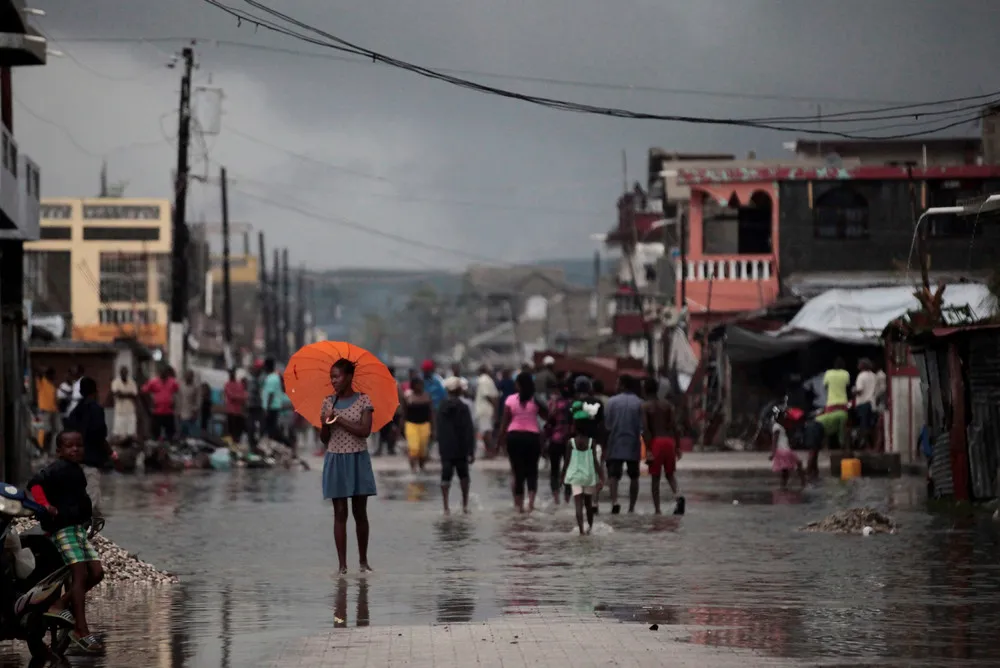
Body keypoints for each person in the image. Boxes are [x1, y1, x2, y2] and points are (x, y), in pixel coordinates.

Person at [26, 431, 105, 653]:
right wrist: (46, 506)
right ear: (59, 451)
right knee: (79, 575)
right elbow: (35, 484)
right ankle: (81, 630)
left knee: (97, 573)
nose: (75, 449)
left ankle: (59, 604)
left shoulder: (76, 470)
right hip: (62, 530)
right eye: (69, 446)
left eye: (79, 445)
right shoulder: (57, 468)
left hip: (78, 530)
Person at [320, 359, 376, 574]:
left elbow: (364, 431)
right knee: (339, 512)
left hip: (357, 459)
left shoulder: (364, 400)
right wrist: (325, 424)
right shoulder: (327, 402)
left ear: (349, 377)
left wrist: (339, 420)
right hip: (336, 459)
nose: (333, 381)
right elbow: (324, 439)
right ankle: (342, 566)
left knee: (359, 512)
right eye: (331, 377)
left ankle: (363, 562)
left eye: (337, 376)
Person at [497, 372, 548, 513]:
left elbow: (504, 423)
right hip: (532, 437)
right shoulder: (536, 400)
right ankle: (530, 504)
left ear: (518, 385)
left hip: (514, 437)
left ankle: (518, 506)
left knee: (517, 472)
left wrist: (499, 441)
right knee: (532, 472)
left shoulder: (510, 400)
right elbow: (546, 416)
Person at [64, 377, 112, 521]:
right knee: (92, 503)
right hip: (91, 462)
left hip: (74, 463)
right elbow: (100, 434)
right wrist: (108, 454)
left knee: (77, 499)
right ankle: (90, 537)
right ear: (95, 391)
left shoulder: (74, 412)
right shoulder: (96, 410)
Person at [561, 401, 606, 535]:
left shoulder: (571, 442)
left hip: (575, 475)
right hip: (589, 475)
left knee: (578, 505)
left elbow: (567, 461)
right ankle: (590, 528)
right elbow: (595, 462)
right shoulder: (591, 442)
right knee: (588, 504)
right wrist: (602, 477)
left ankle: (581, 530)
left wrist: (562, 475)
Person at [642, 377, 684, 515]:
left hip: (656, 443)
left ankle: (657, 510)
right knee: (670, 474)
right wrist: (677, 447)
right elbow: (675, 428)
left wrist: (648, 450)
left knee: (655, 479)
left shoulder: (645, 407)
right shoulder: (668, 405)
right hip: (669, 442)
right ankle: (678, 495)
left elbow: (646, 430)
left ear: (645, 389)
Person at [436, 376, 476, 515]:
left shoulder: (441, 407)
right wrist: (471, 451)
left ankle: (446, 507)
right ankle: (465, 505)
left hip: (446, 448)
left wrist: (440, 447)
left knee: (445, 476)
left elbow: (438, 429)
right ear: (459, 391)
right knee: (464, 476)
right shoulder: (463, 408)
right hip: (461, 448)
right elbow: (469, 430)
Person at [604, 374, 644, 514]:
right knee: (634, 476)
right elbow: (642, 426)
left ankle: (615, 501)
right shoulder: (639, 403)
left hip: (615, 442)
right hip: (633, 443)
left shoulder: (612, 402)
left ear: (622, 385)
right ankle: (631, 507)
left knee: (613, 475)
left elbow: (607, 425)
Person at [543, 381, 574, 505]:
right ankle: (567, 499)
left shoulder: (552, 404)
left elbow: (548, 423)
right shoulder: (573, 405)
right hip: (569, 442)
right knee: (569, 471)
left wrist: (545, 440)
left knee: (554, 470)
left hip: (555, 440)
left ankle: (556, 499)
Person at [770, 408, 807, 490]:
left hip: (784, 449)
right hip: (784, 450)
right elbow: (774, 440)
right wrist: (773, 453)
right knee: (798, 463)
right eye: (783, 417)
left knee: (785, 470)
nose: (784, 418)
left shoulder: (780, 426)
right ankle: (803, 483)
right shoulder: (777, 427)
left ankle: (783, 485)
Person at [403, 376, 434, 472]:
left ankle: (422, 468)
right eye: (418, 384)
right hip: (411, 425)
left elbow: (431, 413)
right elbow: (404, 413)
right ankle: (413, 469)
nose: (420, 386)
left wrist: (434, 428)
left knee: (422, 450)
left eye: (421, 384)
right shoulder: (408, 397)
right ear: (413, 385)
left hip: (425, 425)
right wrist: (401, 427)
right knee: (414, 448)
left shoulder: (427, 396)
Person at [143, 366, 180, 441]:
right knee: (155, 433)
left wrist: (174, 402)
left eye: (165, 373)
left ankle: (169, 447)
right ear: (159, 373)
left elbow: (177, 392)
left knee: (170, 433)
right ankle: (156, 447)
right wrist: (150, 402)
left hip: (168, 411)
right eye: (161, 372)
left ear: (167, 373)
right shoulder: (153, 381)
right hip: (157, 412)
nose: (163, 374)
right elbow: (144, 391)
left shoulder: (172, 382)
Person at [474, 365, 499, 457]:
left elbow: (489, 395)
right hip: (486, 409)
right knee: (486, 431)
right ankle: (489, 451)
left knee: (486, 431)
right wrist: (495, 408)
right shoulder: (486, 380)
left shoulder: (484, 380)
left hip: (485, 409)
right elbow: (491, 396)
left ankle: (490, 451)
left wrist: (495, 408)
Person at [853, 358, 877, 449]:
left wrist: (853, 391)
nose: (858, 365)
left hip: (863, 404)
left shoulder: (861, 376)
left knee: (864, 426)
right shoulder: (873, 375)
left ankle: (866, 446)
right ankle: (872, 445)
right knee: (871, 426)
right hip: (872, 403)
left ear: (863, 366)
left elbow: (859, 390)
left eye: (859, 364)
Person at [110, 366, 139, 440]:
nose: (124, 373)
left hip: (130, 411)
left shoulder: (132, 382)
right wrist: (129, 394)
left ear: (127, 373)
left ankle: (130, 449)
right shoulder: (116, 382)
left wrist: (123, 394)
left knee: (131, 434)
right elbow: (117, 395)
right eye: (122, 372)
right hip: (120, 412)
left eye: (125, 372)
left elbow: (134, 395)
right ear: (120, 373)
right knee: (119, 434)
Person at [261, 358, 284, 443]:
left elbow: (271, 394)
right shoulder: (275, 377)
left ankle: (283, 443)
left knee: (271, 429)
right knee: (272, 429)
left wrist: (267, 408)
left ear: (267, 367)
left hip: (271, 407)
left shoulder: (271, 378)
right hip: (274, 406)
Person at [36, 367, 59, 453]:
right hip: (44, 410)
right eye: (53, 375)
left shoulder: (52, 385)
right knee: (44, 430)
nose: (55, 376)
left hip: (53, 410)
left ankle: (50, 449)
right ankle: (41, 448)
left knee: (55, 430)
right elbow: (38, 373)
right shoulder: (42, 382)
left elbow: (54, 399)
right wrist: (44, 371)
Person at [224, 369, 248, 443]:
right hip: (231, 411)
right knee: (231, 432)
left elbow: (244, 396)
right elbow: (231, 396)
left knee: (238, 433)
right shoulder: (227, 384)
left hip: (239, 412)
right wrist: (239, 397)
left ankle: (236, 445)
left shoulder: (239, 384)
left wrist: (237, 397)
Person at [177, 369, 201, 438]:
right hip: (181, 413)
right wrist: (178, 412)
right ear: (185, 376)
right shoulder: (181, 386)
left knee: (190, 434)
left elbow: (198, 401)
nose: (188, 377)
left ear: (192, 377)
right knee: (181, 432)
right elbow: (178, 399)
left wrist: (195, 412)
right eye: (187, 376)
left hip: (191, 413)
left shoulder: (196, 387)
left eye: (190, 376)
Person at [246, 361, 265, 448]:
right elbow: (251, 394)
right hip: (252, 406)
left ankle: (256, 444)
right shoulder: (252, 379)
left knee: (259, 427)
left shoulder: (260, 379)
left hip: (258, 406)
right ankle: (252, 444)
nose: (260, 370)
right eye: (259, 368)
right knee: (251, 427)